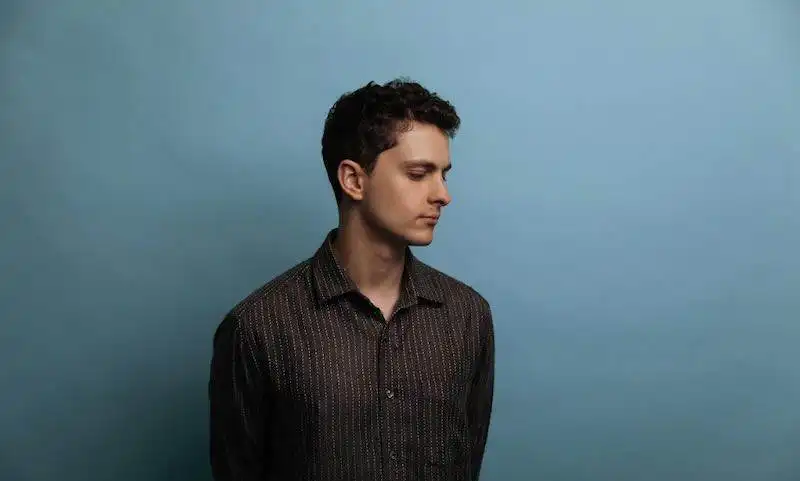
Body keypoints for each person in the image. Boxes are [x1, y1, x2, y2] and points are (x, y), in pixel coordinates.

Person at [209, 78, 495, 481]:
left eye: (443, 174)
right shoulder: (257, 328)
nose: (442, 194)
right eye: (418, 173)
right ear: (354, 180)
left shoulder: (468, 317)